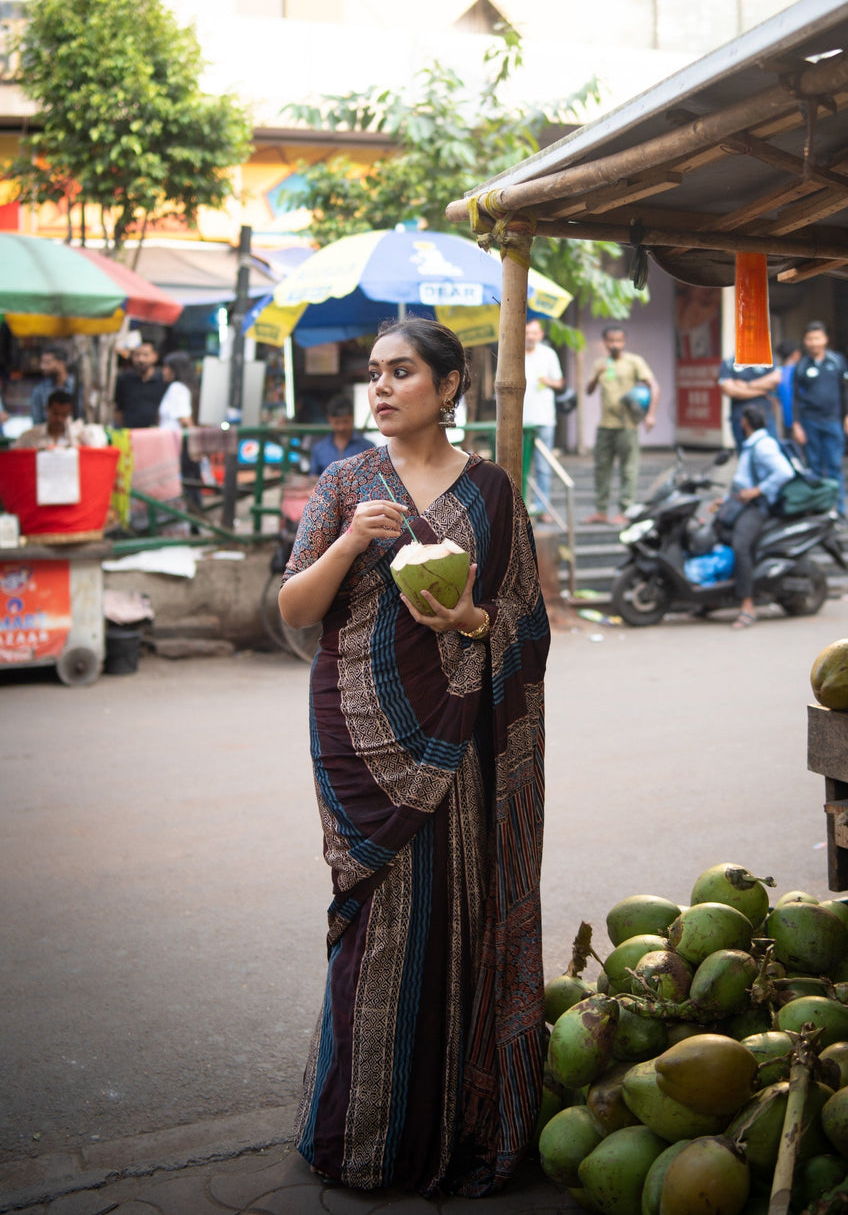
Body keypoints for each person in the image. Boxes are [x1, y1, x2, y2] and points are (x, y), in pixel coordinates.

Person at [278, 317, 548, 1197]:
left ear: (450, 384)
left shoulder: (492, 490)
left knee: (455, 914)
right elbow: (293, 608)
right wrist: (350, 540)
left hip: (459, 728)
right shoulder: (345, 482)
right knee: (375, 925)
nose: (382, 388)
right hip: (358, 730)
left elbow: (525, 619)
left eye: (401, 372)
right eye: (374, 373)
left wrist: (469, 620)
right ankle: (357, 1140)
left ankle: (451, 1128)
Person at [721, 404, 795, 631]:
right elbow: (742, 479)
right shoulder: (751, 444)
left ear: (745, 423)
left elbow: (785, 472)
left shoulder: (763, 445)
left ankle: (748, 605)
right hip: (740, 503)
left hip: (756, 508)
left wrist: (757, 491)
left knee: (740, 546)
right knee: (717, 532)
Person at [584, 326, 658, 523]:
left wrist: (650, 415)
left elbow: (654, 386)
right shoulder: (600, 363)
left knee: (628, 470)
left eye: (618, 340)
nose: (615, 344)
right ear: (605, 343)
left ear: (624, 342)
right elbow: (588, 391)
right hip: (605, 426)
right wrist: (596, 375)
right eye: (611, 341)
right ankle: (601, 511)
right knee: (601, 469)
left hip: (628, 425)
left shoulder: (634, 361)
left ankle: (625, 511)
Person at [791, 321, 848, 519]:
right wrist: (796, 424)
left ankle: (839, 510)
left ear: (825, 339)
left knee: (835, 466)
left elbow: (847, 390)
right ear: (805, 341)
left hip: (833, 421)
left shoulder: (837, 361)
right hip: (809, 422)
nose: (814, 343)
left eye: (817, 338)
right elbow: (794, 397)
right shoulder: (801, 366)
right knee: (814, 468)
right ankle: (820, 512)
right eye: (810, 339)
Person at [522, 318, 564, 521]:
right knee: (519, 465)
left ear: (540, 335)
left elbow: (560, 383)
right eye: (527, 332)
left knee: (543, 466)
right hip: (519, 420)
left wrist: (549, 382)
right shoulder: (514, 353)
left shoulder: (549, 354)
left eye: (534, 333)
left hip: (544, 418)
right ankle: (520, 507)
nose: (530, 336)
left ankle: (542, 507)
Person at [160, 352, 204, 509]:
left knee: (187, 483)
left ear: (174, 370)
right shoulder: (182, 388)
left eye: (166, 367)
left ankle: (192, 516)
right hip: (179, 444)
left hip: (177, 445)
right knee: (190, 482)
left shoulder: (177, 388)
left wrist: (195, 444)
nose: (163, 371)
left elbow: (184, 418)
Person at [718, 354, 780, 448]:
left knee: (770, 450)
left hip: (765, 417)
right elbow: (729, 389)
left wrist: (747, 385)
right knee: (745, 452)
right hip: (741, 419)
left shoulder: (765, 357)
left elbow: (775, 379)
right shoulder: (730, 362)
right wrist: (761, 392)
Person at [308, 392, 376, 478]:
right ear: (329, 419)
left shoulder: (368, 448)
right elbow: (314, 479)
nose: (341, 427)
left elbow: (374, 477)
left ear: (352, 417)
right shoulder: (319, 449)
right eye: (337, 422)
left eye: (345, 421)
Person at [16, 390, 107, 449]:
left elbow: (98, 450)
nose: (59, 419)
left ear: (70, 413)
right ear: (48, 409)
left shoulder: (78, 437)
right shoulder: (29, 437)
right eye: (55, 413)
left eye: (64, 415)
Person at [115, 340, 167, 429]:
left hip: (157, 432)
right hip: (130, 432)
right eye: (137, 355)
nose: (141, 359)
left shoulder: (163, 380)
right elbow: (118, 409)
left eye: (145, 355)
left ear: (155, 356)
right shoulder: (124, 379)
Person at [30, 344, 80, 423]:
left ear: (61, 363)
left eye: (47, 363)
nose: (42, 367)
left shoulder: (77, 387)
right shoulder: (39, 391)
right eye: (42, 362)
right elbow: (37, 422)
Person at [775, 341, 800, 436]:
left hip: (786, 420)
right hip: (801, 421)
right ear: (795, 354)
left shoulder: (777, 374)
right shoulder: (798, 372)